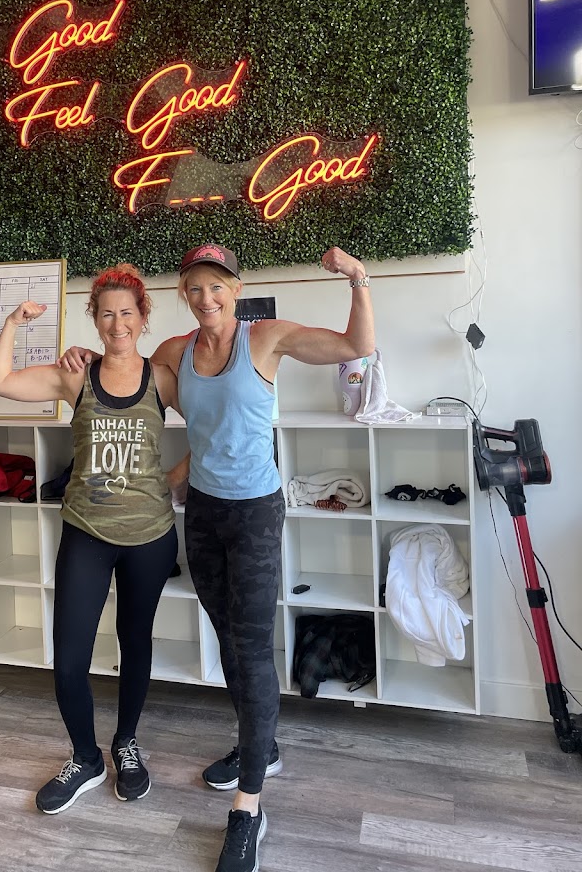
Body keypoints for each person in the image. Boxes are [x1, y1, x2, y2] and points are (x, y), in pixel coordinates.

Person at [60, 244, 374, 872]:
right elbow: (128, 374)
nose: (207, 297)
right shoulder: (176, 352)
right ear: (185, 294)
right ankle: (261, 747)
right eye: (196, 287)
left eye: (218, 285)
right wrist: (86, 358)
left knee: (251, 648)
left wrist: (358, 280)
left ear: (236, 288)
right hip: (203, 514)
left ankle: (248, 808)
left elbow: (354, 346)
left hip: (254, 514)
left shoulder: (267, 338)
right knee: (229, 638)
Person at [0, 264, 188, 815]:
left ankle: (126, 744)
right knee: (70, 657)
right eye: (107, 314)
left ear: (143, 317)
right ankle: (85, 757)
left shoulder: (163, 379)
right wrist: (12, 323)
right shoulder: (75, 376)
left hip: (150, 536)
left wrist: (172, 481)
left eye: (127, 313)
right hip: (86, 534)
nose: (118, 324)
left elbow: (216, 426)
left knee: (135, 643)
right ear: (95, 321)